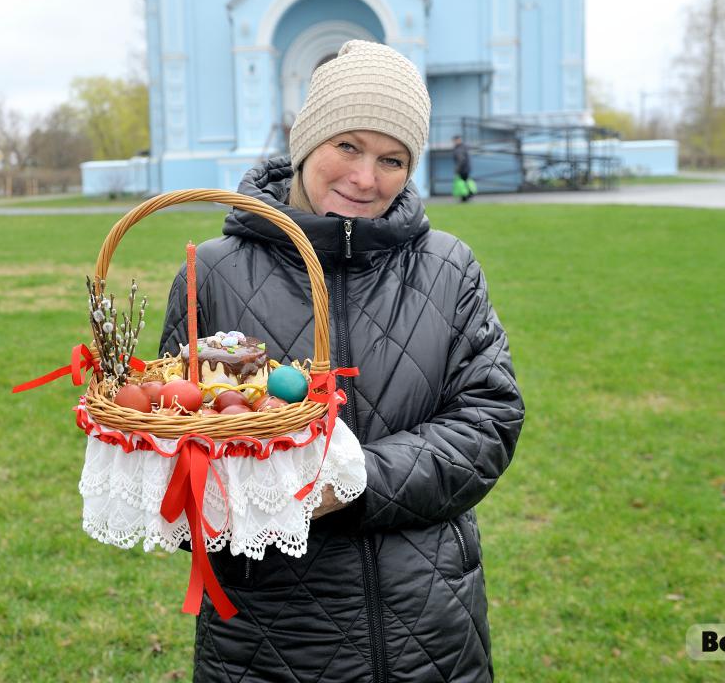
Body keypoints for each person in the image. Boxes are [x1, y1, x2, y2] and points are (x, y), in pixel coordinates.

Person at [160, 40, 524, 682]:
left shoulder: (446, 267)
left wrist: (351, 483)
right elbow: (179, 450)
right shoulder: (212, 273)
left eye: (392, 159)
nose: (366, 178)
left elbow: (488, 421)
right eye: (348, 146)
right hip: (270, 641)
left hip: (430, 632)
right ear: (306, 143)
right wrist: (234, 493)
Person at [453, 134, 474, 202]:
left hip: (463, 169)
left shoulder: (459, 148)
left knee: (462, 183)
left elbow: (461, 160)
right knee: (466, 182)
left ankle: (465, 196)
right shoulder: (464, 147)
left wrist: (457, 169)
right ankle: (469, 195)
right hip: (466, 168)